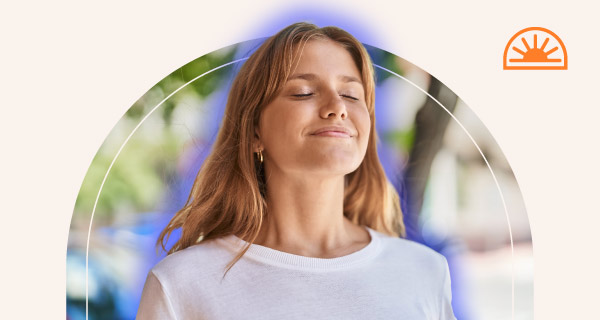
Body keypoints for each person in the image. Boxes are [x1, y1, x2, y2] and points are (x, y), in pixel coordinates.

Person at [136, 22, 456, 319]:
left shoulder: (424, 272)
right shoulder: (181, 285)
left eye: (351, 95)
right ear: (254, 132)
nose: (338, 107)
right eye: (303, 92)